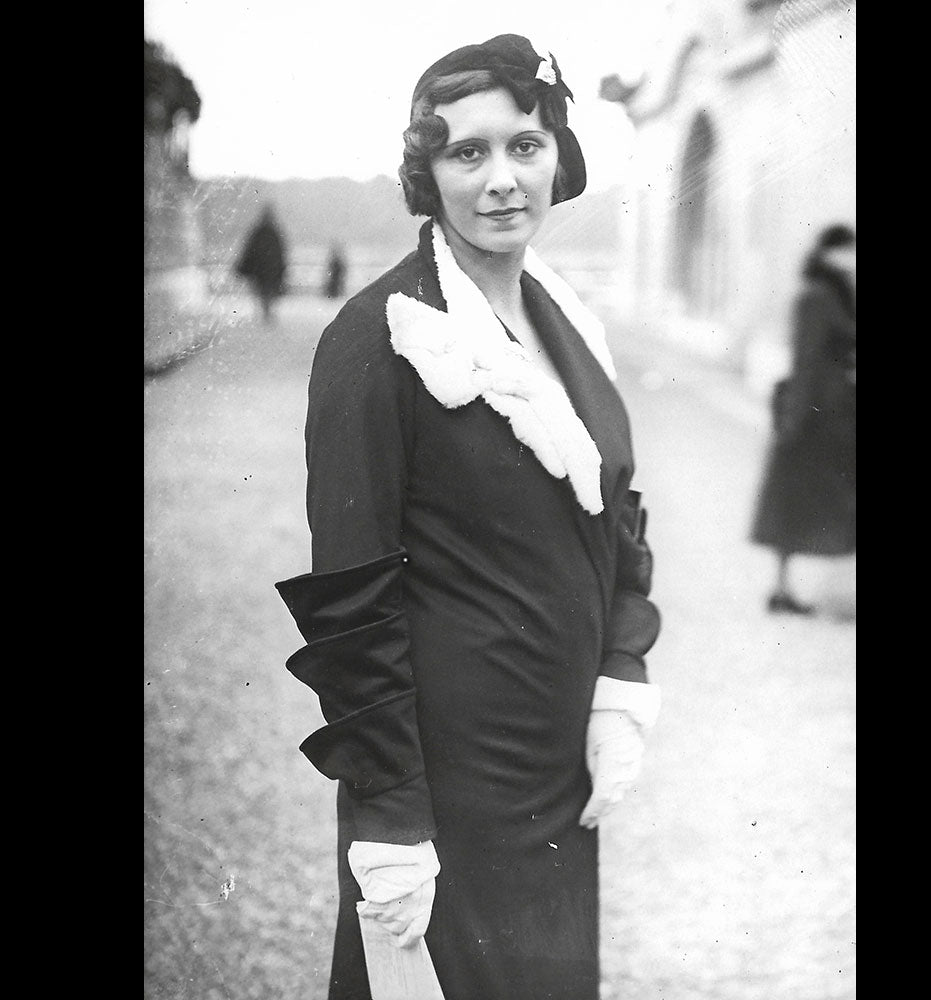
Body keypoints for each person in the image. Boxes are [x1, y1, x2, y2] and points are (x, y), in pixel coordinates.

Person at [275, 34, 662, 1000]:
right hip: (449, 774)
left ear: (559, 156)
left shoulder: (565, 321)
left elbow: (616, 517)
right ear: (427, 171)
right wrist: (391, 817)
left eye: (525, 146)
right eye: (466, 152)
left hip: (557, 760)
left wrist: (621, 671)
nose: (501, 180)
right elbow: (350, 601)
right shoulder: (380, 337)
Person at [750, 223, 857, 615]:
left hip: (832, 412)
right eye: (847, 251)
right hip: (820, 416)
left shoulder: (835, 293)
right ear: (829, 254)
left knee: (802, 502)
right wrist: (795, 420)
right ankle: (784, 589)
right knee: (795, 502)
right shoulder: (818, 296)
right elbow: (807, 360)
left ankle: (790, 588)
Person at [235, 203, 287, 321]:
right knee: (268, 291)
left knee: (261, 291)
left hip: (260, 269)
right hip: (270, 270)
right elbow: (280, 253)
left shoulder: (258, 231)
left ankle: (265, 310)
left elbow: (249, 250)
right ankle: (267, 311)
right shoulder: (274, 232)